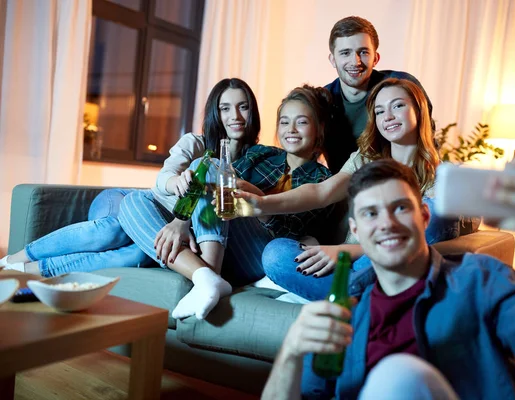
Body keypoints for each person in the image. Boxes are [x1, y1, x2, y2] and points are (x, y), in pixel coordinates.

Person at [261, 158, 515, 400]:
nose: (387, 223)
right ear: (355, 232)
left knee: (399, 377)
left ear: (424, 217)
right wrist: (291, 351)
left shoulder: (479, 280)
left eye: (400, 208)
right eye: (370, 213)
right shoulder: (347, 316)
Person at [0, 78, 260, 278]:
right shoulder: (196, 144)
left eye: (243, 107)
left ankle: (34, 270)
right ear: (216, 113)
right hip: (130, 200)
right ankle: (15, 259)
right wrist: (176, 182)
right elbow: (164, 177)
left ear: (252, 112)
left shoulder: (257, 161)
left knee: (140, 252)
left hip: (162, 223)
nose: (234, 117)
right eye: (225, 108)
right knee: (115, 229)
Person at [119, 85, 334, 320]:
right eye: (284, 122)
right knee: (133, 201)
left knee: (209, 167)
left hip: (260, 253)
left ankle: (208, 273)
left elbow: (294, 241)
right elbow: (214, 187)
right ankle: (205, 277)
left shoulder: (324, 182)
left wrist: (259, 202)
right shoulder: (261, 154)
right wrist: (181, 221)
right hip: (220, 237)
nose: (291, 130)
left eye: (301, 122)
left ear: (320, 129)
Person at [236, 78, 458, 301]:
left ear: (419, 111)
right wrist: (261, 203)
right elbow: (321, 193)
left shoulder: (442, 177)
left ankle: (352, 297)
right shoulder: (365, 159)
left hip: (373, 259)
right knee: (276, 254)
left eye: (398, 106)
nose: (388, 116)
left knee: (434, 212)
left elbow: (434, 232)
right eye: (379, 111)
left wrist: (347, 250)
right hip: (348, 264)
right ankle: (367, 298)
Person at [323, 16, 433, 174]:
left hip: (403, 180)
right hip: (343, 187)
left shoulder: (400, 85)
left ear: (376, 58)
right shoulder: (322, 101)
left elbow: (427, 136)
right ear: (333, 60)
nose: (355, 61)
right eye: (345, 53)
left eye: (363, 52)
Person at [0, 188, 152, 276]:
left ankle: (23, 271)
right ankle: (11, 260)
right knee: (112, 230)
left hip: (152, 229)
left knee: (137, 255)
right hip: (121, 199)